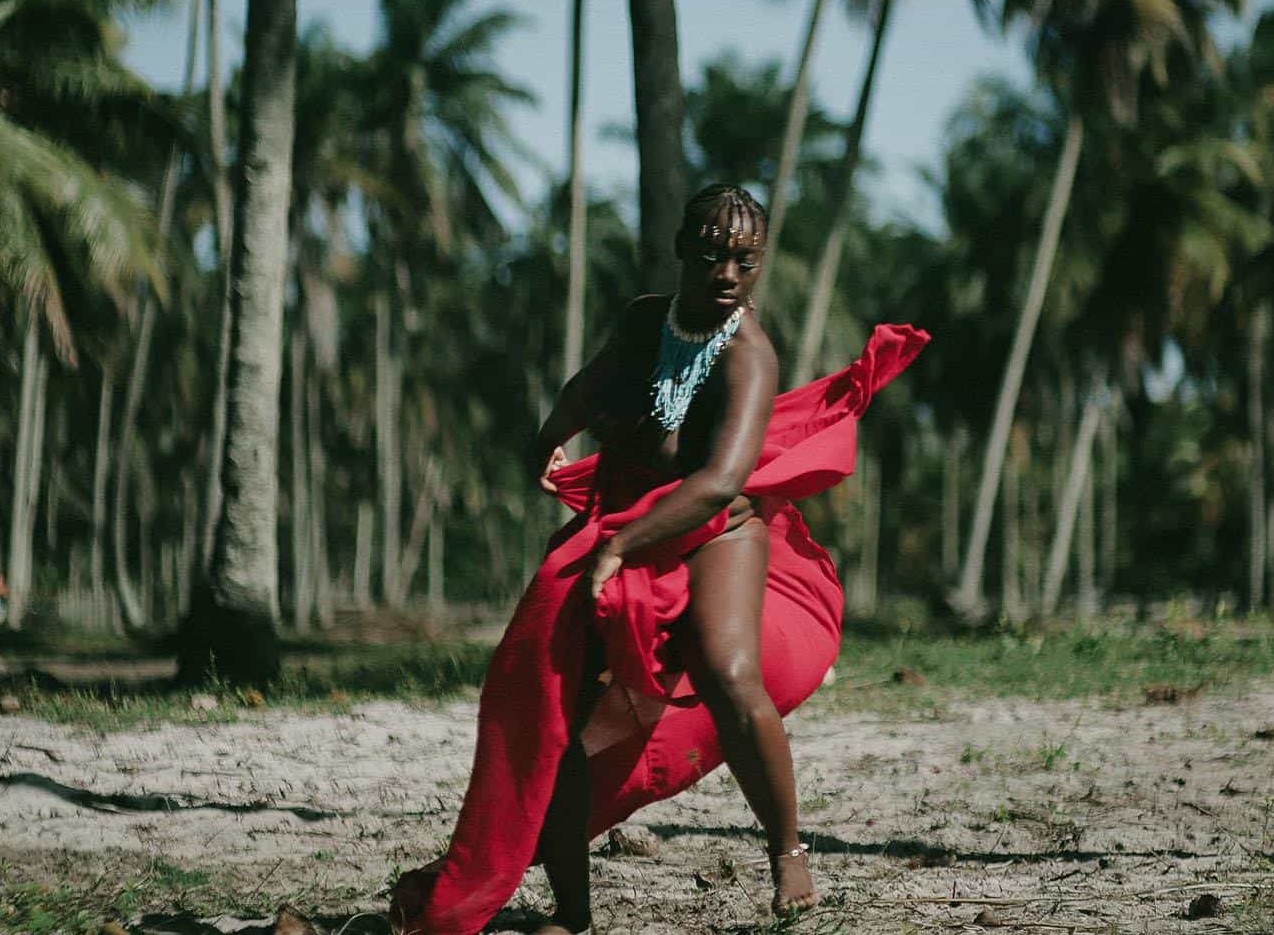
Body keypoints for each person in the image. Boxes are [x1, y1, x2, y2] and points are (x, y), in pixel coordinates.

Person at [391, 184, 927, 934]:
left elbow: (716, 484)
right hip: (629, 508)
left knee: (726, 668)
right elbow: (593, 384)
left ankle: (788, 851)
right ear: (682, 250)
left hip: (716, 525)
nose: (727, 274)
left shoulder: (750, 356)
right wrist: (550, 433)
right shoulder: (647, 319)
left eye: (745, 261)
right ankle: (572, 918)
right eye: (711, 255)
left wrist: (620, 546)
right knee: (560, 713)